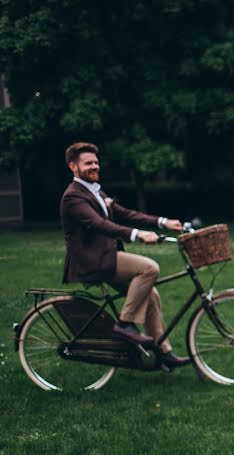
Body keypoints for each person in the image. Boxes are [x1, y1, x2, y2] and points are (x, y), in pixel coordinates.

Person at [60, 141, 190, 369]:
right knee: (149, 268)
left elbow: (125, 214)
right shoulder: (73, 197)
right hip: (93, 261)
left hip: (105, 257)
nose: (94, 166)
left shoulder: (96, 190)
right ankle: (125, 325)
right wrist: (138, 235)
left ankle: (163, 352)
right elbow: (99, 224)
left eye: (96, 162)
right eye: (88, 163)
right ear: (73, 167)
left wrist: (162, 222)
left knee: (153, 296)